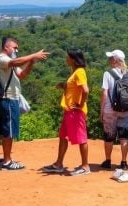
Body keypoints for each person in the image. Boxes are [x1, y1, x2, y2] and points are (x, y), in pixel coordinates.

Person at [0, 37, 49, 170]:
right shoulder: (3, 59)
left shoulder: (10, 63)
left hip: (2, 99)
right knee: (8, 131)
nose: (16, 50)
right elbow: (16, 61)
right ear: (6, 47)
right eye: (14, 47)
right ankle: (7, 162)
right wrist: (34, 55)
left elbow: (22, 75)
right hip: (8, 99)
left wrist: (31, 62)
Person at [42, 48, 90, 176]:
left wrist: (80, 104)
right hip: (70, 110)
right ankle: (58, 164)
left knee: (81, 138)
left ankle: (85, 166)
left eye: (68, 57)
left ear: (74, 59)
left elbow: (85, 90)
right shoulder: (74, 72)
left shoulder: (79, 72)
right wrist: (64, 85)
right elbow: (75, 87)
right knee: (63, 136)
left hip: (76, 112)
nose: (66, 59)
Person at [99, 49, 128, 170]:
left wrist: (101, 111)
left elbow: (104, 94)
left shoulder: (108, 74)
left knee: (109, 136)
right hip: (125, 110)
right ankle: (124, 162)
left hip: (110, 110)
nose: (109, 60)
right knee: (124, 136)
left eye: (110, 58)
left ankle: (108, 161)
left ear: (115, 60)